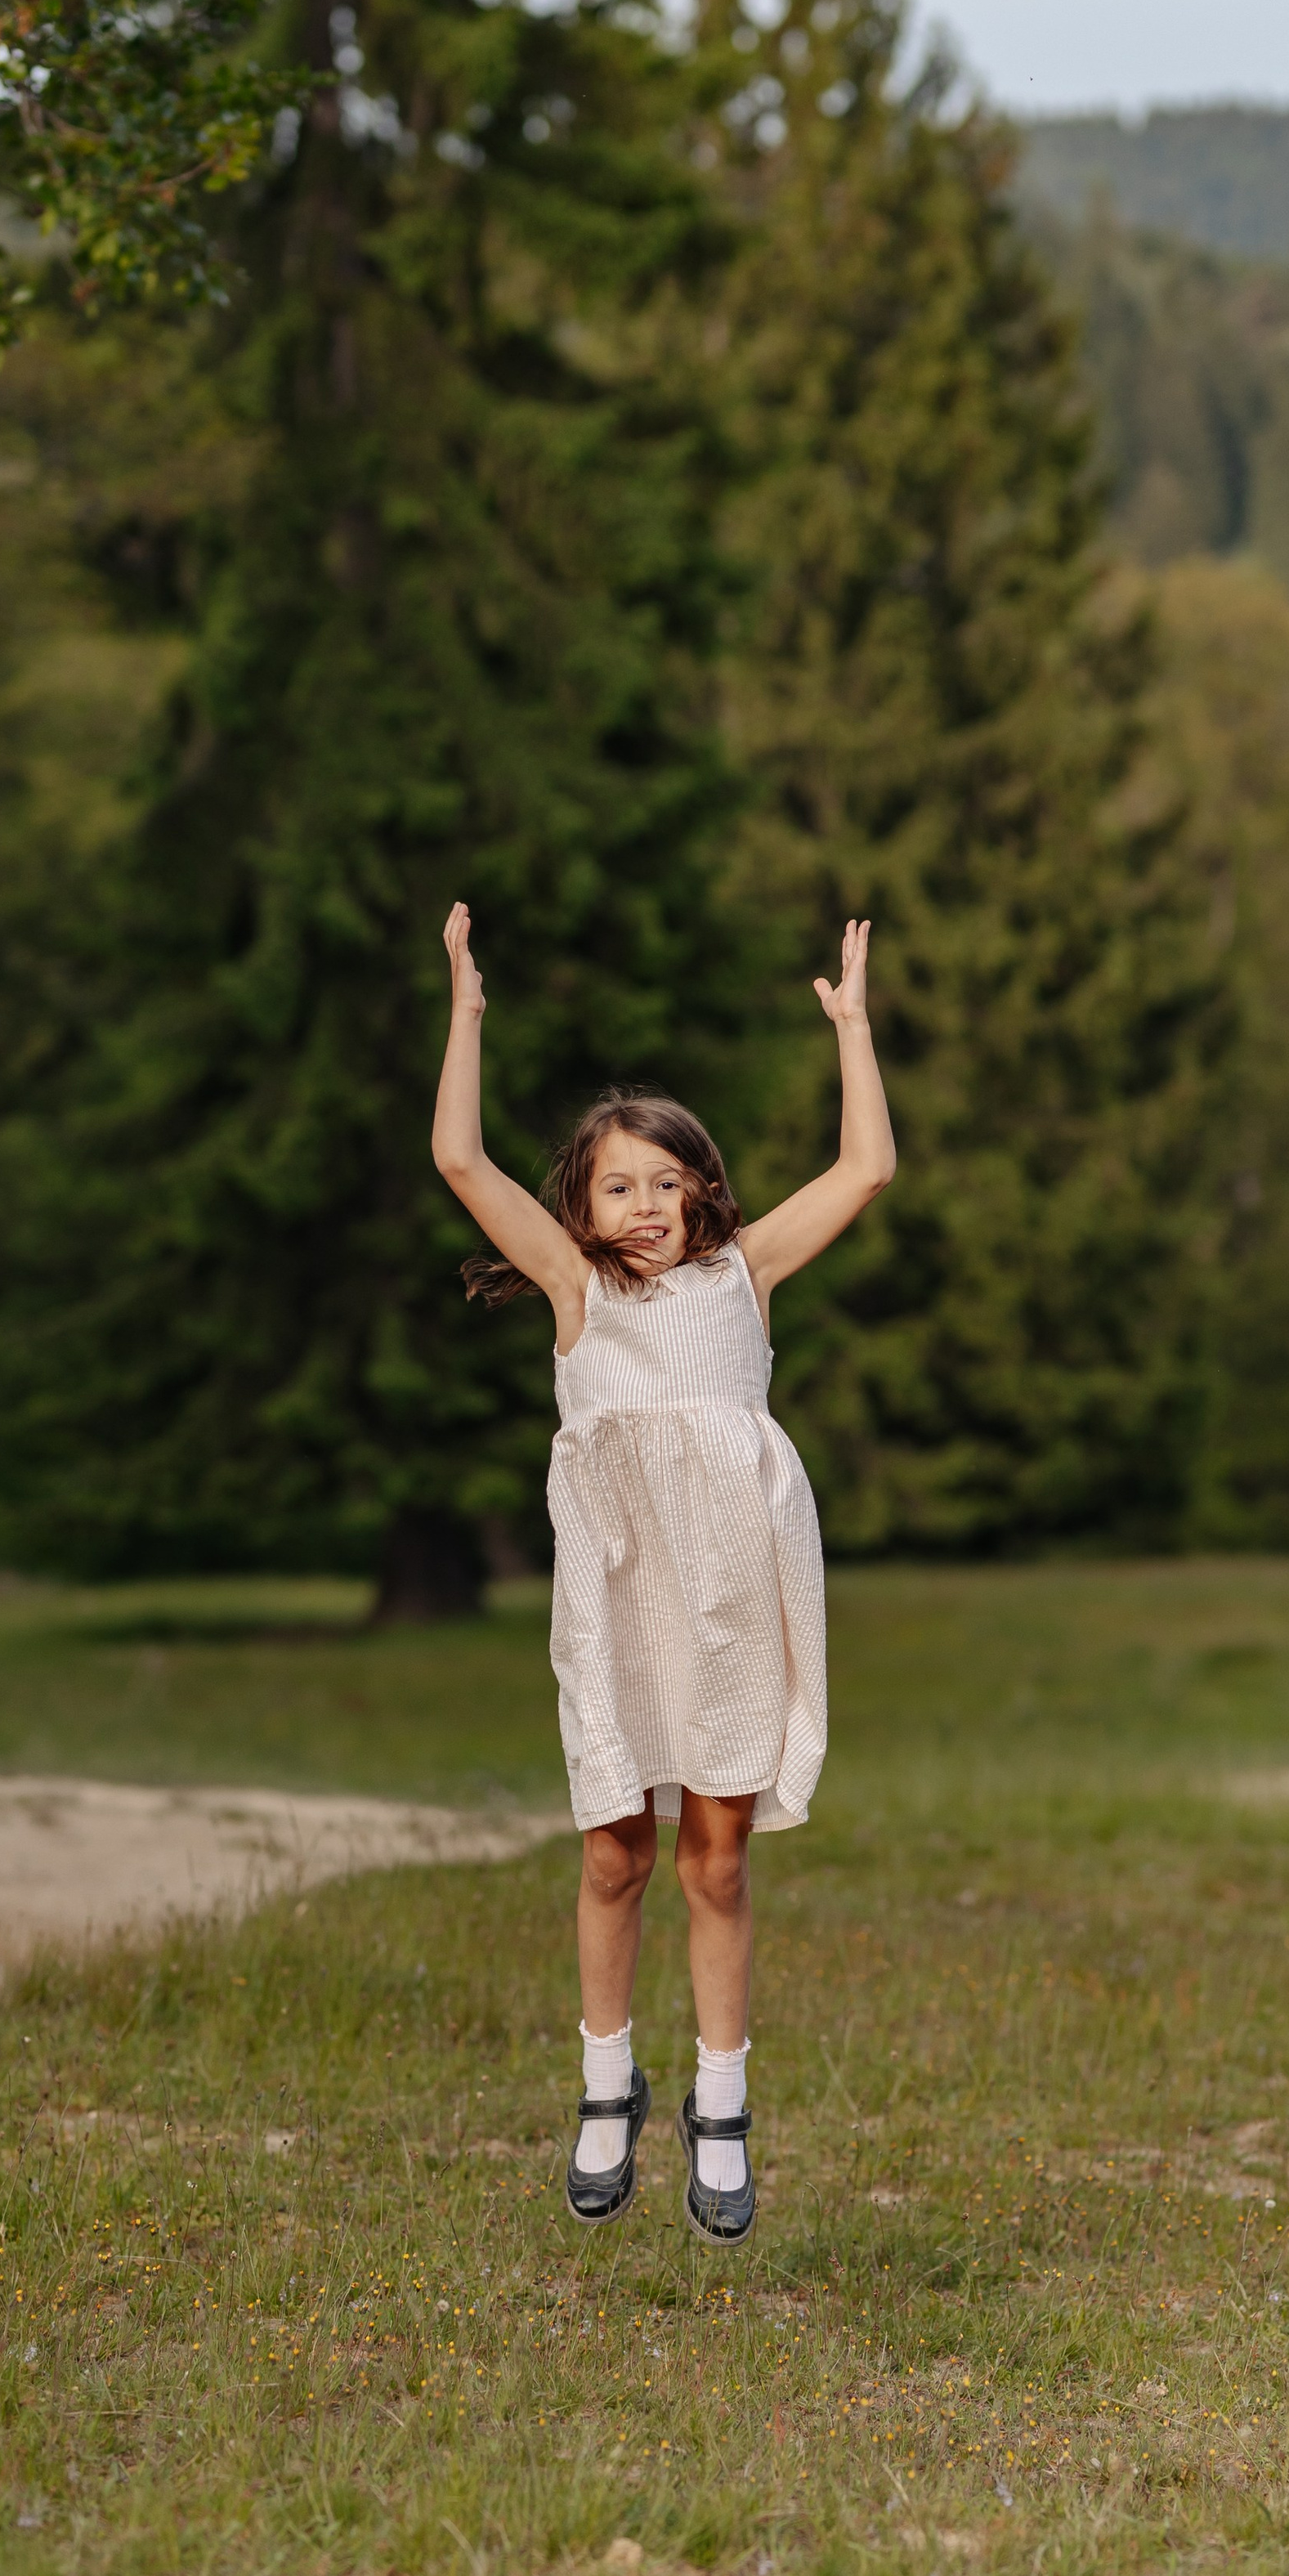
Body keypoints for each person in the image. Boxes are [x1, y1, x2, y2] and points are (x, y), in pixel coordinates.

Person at [430, 904, 896, 2245]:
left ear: (702, 1187)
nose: (644, 1203)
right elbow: (459, 1156)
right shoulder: (575, 1291)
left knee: (719, 1858)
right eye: (618, 1184)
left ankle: (723, 2099)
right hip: (620, 1598)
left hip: (734, 1600)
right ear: (581, 1201)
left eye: (665, 1180)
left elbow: (865, 1166)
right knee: (613, 1849)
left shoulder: (746, 1276)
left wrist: (853, 1030)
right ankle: (604, 2080)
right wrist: (466, 1008)